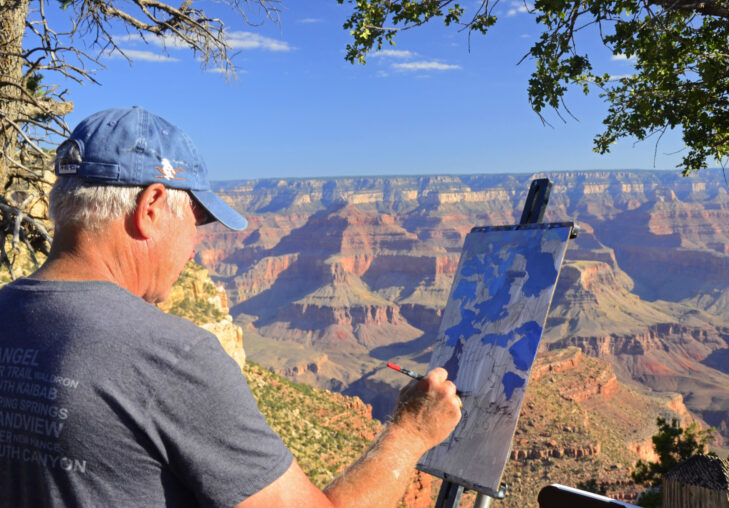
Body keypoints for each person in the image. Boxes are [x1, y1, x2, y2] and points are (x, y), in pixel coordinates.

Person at [0, 107, 462, 507]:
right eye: (198, 219)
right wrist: (410, 433)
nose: (197, 247)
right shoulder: (169, 357)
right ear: (152, 206)